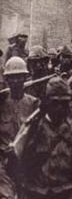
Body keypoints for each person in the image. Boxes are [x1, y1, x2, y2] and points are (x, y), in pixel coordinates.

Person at [18, 76, 72, 199]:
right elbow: (18, 164)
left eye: (64, 103)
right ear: (47, 103)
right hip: (35, 193)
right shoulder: (33, 129)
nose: (60, 108)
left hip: (63, 193)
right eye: (55, 103)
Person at [0, 57, 38, 199]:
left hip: (26, 162)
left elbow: (38, 137)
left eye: (19, 77)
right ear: (7, 80)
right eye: (11, 78)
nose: (15, 82)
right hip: (3, 163)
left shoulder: (33, 104)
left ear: (25, 78)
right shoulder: (1, 104)